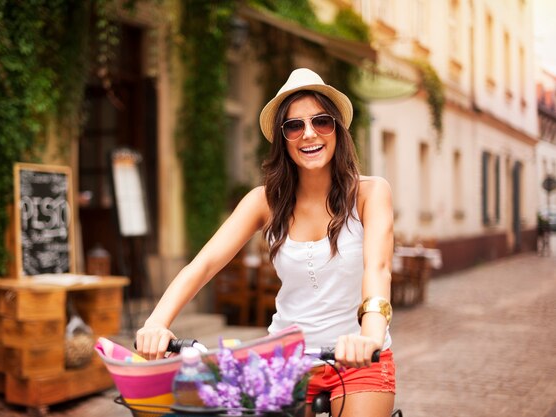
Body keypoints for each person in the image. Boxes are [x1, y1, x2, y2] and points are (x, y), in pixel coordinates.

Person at [135, 68, 396, 417]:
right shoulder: (264, 201)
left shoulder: (370, 192)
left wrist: (371, 336)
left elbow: (378, 269)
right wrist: (156, 322)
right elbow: (205, 263)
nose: (308, 134)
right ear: (282, 138)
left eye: (321, 121)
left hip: (358, 356)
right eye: (294, 126)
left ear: (337, 129)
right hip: (284, 363)